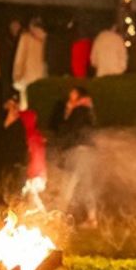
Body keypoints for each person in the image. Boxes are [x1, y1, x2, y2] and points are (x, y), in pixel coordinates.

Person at [56, 86, 98, 226]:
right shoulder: (87, 110)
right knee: (86, 185)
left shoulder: (79, 110)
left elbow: (69, 130)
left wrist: (68, 112)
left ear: (80, 97)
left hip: (77, 151)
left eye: (73, 95)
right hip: (85, 151)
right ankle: (92, 219)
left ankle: (59, 216)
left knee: (69, 182)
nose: (70, 98)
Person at [0, 91, 33, 192]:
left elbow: (22, 142)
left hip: (17, 162)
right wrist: (7, 122)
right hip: (4, 160)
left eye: (16, 105)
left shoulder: (20, 122)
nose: (14, 108)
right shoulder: (0, 118)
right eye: (11, 104)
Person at [12, 17, 48, 109]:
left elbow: (19, 59)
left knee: (26, 109)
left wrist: (16, 77)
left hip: (26, 79)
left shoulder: (26, 37)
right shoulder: (46, 38)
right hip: (42, 79)